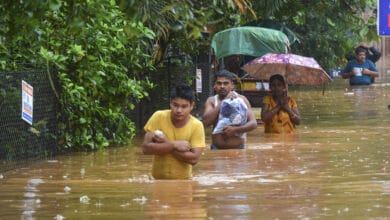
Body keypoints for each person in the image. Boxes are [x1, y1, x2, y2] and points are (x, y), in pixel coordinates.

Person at [142, 83, 206, 179]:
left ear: (192, 106)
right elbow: (146, 149)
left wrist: (165, 143)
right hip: (157, 181)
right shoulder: (158, 116)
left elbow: (194, 159)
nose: (179, 110)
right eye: (175, 105)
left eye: (184, 106)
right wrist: (173, 145)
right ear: (170, 102)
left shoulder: (197, 125)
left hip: (184, 183)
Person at [202, 69, 257, 150]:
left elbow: (253, 123)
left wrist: (235, 130)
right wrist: (222, 103)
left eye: (226, 83)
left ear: (232, 85)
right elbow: (205, 122)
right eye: (219, 83)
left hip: (239, 149)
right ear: (215, 86)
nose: (222, 86)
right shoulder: (212, 101)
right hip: (216, 148)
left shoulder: (242, 100)